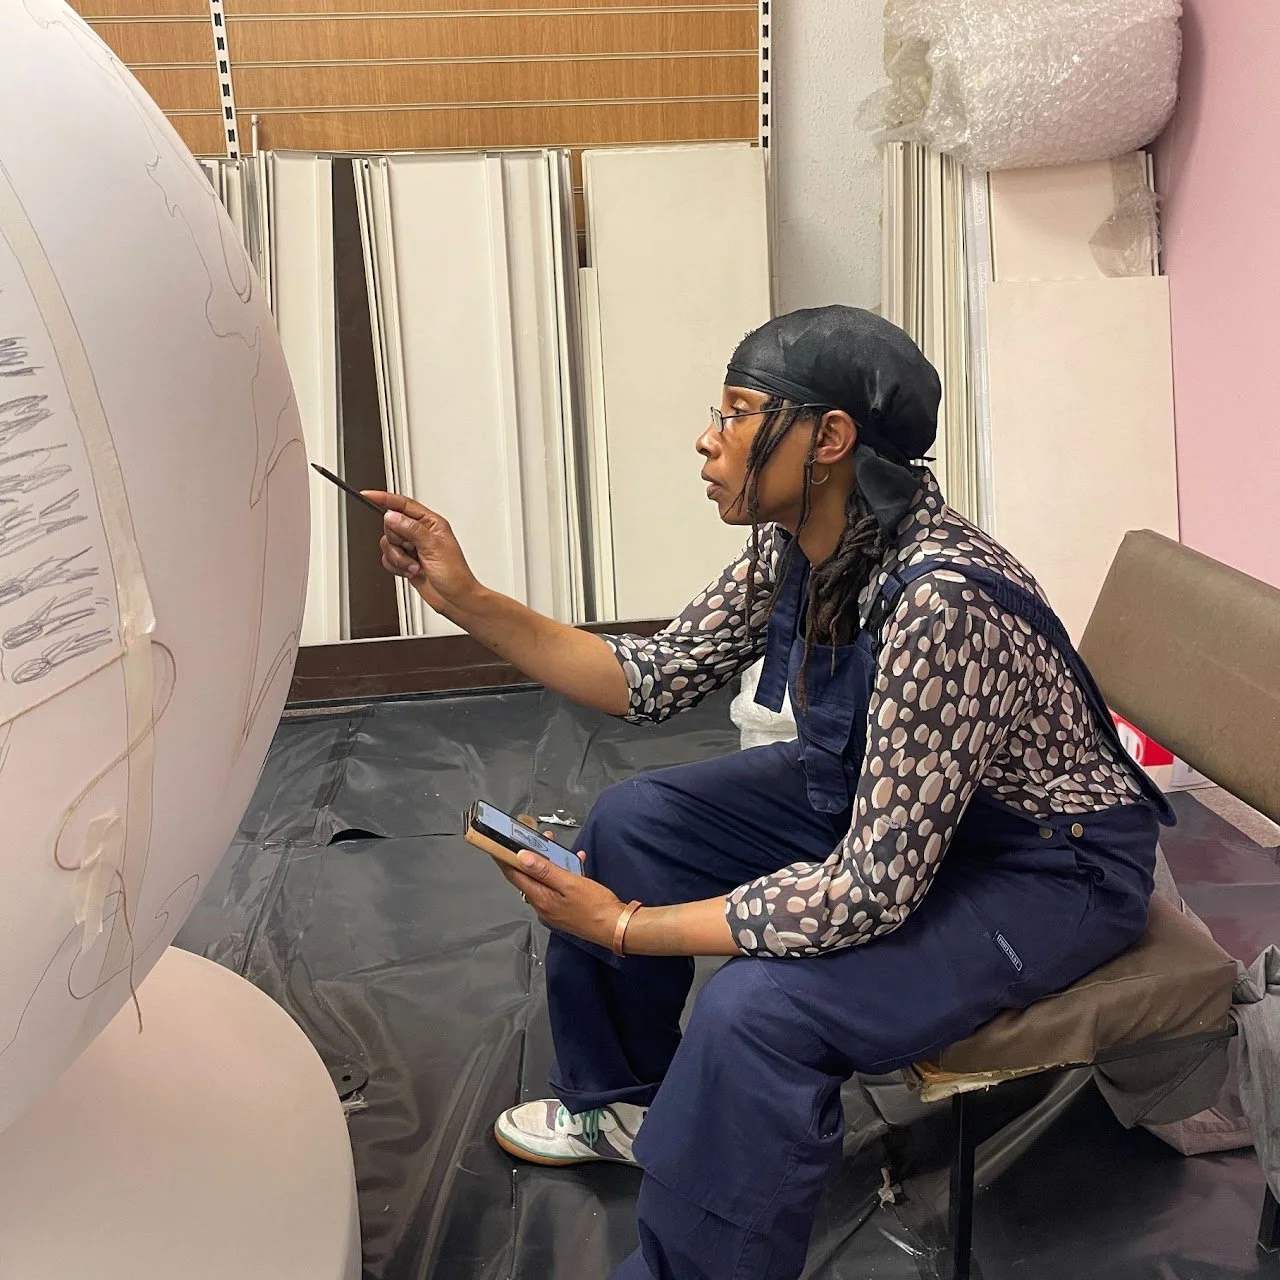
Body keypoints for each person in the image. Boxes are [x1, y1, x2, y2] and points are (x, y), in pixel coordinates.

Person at [367, 306, 1175, 1280]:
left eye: (738, 411)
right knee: (635, 820)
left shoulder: (939, 602)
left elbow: (867, 892)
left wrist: (625, 924)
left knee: (758, 1011)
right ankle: (625, 1102)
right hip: (892, 800)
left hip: (1047, 863)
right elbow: (655, 674)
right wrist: (465, 596)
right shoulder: (801, 540)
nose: (707, 437)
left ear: (827, 438)